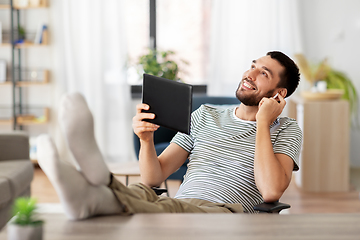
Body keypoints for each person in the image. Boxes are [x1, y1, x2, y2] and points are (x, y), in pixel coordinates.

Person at [37, 51, 302, 220]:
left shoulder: (287, 130)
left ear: (278, 94)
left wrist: (263, 123)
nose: (250, 74)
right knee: (142, 191)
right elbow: (155, 176)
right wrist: (146, 139)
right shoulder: (205, 115)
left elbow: (270, 191)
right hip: (182, 204)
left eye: (263, 73)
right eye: (252, 65)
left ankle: (95, 190)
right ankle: (96, 186)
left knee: (165, 208)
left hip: (223, 213)